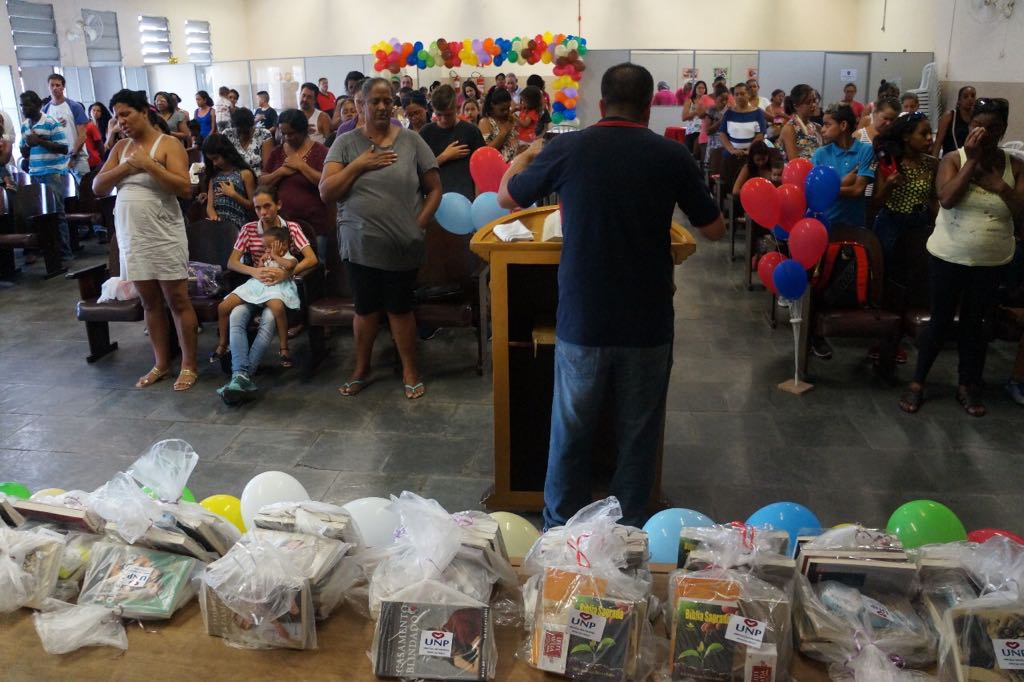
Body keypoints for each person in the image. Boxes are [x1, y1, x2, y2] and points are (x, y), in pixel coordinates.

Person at [496, 63, 724, 529]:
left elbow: (506, 196)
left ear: (600, 106)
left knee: (570, 434)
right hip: (648, 321)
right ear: (647, 109)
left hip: (584, 319)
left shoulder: (569, 148)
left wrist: (527, 154)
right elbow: (716, 230)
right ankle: (629, 533)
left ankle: (560, 531)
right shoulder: (671, 155)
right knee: (638, 436)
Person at [319, 77, 443, 400]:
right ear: (360, 104)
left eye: (387, 100)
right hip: (359, 246)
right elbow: (326, 190)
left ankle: (410, 369)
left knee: (400, 308)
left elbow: (435, 188)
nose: (383, 106)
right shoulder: (345, 144)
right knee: (365, 308)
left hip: (403, 244)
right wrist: (359, 165)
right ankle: (361, 368)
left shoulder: (412, 141)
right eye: (374, 101)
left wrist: (419, 224)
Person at [899, 98, 1023, 417]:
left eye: (993, 127)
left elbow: (1020, 212)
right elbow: (948, 198)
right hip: (948, 256)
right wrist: (972, 163)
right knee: (939, 321)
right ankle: (917, 382)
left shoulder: (1015, 166)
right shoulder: (953, 159)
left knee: (976, 324)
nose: (985, 133)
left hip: (991, 260)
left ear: (1003, 129)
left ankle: (968, 385)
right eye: (979, 126)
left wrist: (998, 185)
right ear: (970, 127)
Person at [92, 89, 198, 391]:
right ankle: (161, 363)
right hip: (132, 235)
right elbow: (99, 186)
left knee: (177, 300)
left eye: (126, 114)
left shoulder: (169, 144)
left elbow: (184, 188)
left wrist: (150, 165)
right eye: (116, 116)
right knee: (150, 302)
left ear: (144, 112)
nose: (120, 121)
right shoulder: (122, 148)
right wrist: (128, 166)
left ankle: (189, 365)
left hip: (163, 233)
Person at [215, 186, 318, 404]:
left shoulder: (290, 228)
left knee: (270, 317)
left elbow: (311, 259)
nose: (263, 212)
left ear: (278, 204)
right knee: (235, 315)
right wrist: (254, 271)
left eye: (267, 206)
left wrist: (285, 273)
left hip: (278, 287)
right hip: (256, 285)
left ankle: (240, 376)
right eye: (258, 208)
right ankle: (241, 377)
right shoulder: (248, 229)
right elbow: (232, 262)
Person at [809, 104, 875, 361]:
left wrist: (834, 186)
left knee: (846, 279)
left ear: (844, 126)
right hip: (824, 224)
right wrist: (846, 179)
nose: (823, 129)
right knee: (819, 281)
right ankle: (815, 334)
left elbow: (859, 191)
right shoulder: (822, 154)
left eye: (827, 124)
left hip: (853, 227)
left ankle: (842, 326)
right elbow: (816, 193)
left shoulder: (865, 150)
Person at [216, 225, 299, 368]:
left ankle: (284, 347)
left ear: (284, 244)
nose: (266, 251)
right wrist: (262, 261)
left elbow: (289, 265)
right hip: (257, 286)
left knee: (278, 308)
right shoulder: (266, 256)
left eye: (269, 247)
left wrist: (275, 256)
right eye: (265, 247)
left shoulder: (290, 258)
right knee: (223, 307)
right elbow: (259, 269)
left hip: (277, 287)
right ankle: (223, 343)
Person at [261, 109, 330, 257]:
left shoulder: (321, 152)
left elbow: (326, 183)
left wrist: (301, 166)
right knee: (282, 265)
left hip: (314, 225)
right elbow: (263, 182)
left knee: (315, 267)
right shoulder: (278, 152)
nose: (287, 138)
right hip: (283, 225)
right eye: (283, 133)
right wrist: (280, 172)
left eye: (291, 133)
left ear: (304, 130)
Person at [19, 90, 71, 261]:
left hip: (52, 173)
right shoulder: (25, 125)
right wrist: (26, 145)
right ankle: (48, 251)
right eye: (21, 105)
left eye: (27, 104)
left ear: (38, 105)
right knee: (40, 215)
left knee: (57, 214)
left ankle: (64, 253)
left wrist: (40, 141)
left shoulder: (50, 122)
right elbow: (25, 152)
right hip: (35, 172)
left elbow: (64, 148)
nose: (24, 108)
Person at [420, 84, 485, 200]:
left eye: (448, 115)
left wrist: (478, 200)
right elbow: (419, 170)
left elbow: (480, 171)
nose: (444, 119)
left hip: (466, 196)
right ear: (433, 110)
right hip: (437, 199)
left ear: (456, 107)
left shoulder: (471, 131)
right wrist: (444, 157)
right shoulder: (426, 133)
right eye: (439, 115)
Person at [202, 133, 255, 226]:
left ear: (226, 153)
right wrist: (214, 217)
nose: (214, 163)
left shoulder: (245, 174)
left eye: (216, 158)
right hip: (219, 226)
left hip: (240, 227)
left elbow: (253, 205)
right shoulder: (214, 177)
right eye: (211, 160)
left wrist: (233, 194)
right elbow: (209, 207)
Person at [42, 73, 89, 177]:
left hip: (78, 157)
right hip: (57, 159)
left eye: (58, 85)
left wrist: (73, 156)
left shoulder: (74, 106)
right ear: (48, 87)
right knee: (63, 192)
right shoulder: (45, 110)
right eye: (52, 85)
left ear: (63, 87)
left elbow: (82, 135)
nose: (55, 88)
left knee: (84, 189)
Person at [718, 82, 767, 157]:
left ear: (748, 95)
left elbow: (760, 134)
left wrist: (749, 150)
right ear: (733, 96)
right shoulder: (728, 113)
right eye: (736, 94)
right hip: (731, 154)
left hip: (752, 154)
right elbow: (722, 134)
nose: (739, 97)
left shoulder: (758, 113)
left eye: (742, 94)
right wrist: (731, 150)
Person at [779, 84, 822, 162]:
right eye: (808, 102)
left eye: (814, 100)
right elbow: (795, 162)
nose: (813, 105)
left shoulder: (817, 127)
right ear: (796, 105)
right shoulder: (790, 129)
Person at [225, 107, 273, 176]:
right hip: (233, 178)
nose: (242, 135)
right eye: (239, 131)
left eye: (245, 131)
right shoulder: (228, 134)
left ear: (252, 126)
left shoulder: (264, 134)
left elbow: (267, 168)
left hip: (257, 178)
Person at [934, 85, 976, 157]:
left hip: (968, 160)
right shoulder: (949, 116)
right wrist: (933, 162)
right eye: (965, 97)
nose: (970, 99)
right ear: (959, 101)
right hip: (950, 160)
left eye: (973, 96)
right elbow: (938, 142)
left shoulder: (976, 118)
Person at [479, 88, 518, 162]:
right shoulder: (485, 122)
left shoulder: (510, 118)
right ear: (492, 105)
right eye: (502, 109)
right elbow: (486, 151)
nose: (506, 112)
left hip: (514, 164)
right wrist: (503, 132)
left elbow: (514, 140)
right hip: (497, 166)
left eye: (508, 108)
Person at [703, 86, 730, 165]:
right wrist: (721, 121)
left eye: (726, 99)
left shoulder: (731, 110)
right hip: (713, 145)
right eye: (722, 100)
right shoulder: (711, 111)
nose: (724, 102)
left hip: (727, 145)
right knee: (713, 168)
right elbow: (708, 131)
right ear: (715, 98)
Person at [682, 80, 708, 158]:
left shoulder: (708, 101)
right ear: (695, 89)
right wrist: (696, 111)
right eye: (699, 88)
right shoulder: (689, 101)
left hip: (703, 131)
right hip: (691, 131)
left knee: (700, 156)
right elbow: (684, 117)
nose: (701, 90)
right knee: (689, 156)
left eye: (703, 88)